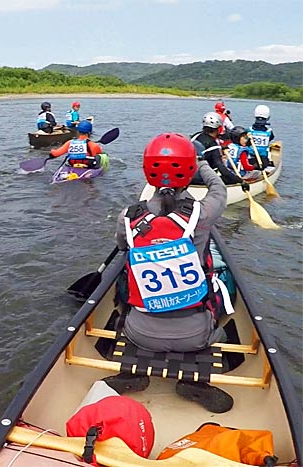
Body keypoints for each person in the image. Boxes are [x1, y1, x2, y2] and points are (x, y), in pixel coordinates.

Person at [107, 132, 233, 413]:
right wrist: (202, 164)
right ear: (189, 172)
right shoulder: (203, 214)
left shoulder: (128, 216)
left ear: (147, 172)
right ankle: (195, 383)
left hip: (138, 332)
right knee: (223, 285)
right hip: (195, 335)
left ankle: (134, 374)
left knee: (124, 275)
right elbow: (219, 189)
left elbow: (122, 246)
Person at [191, 112, 246, 186]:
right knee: (228, 178)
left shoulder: (195, 136)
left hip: (190, 176)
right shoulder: (213, 146)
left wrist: (221, 148)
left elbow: (204, 148)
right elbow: (222, 170)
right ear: (219, 128)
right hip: (202, 179)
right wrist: (240, 181)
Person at [248, 104, 275, 169]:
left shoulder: (249, 130)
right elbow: (271, 138)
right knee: (268, 149)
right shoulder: (269, 131)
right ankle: (270, 163)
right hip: (263, 161)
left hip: (249, 160)